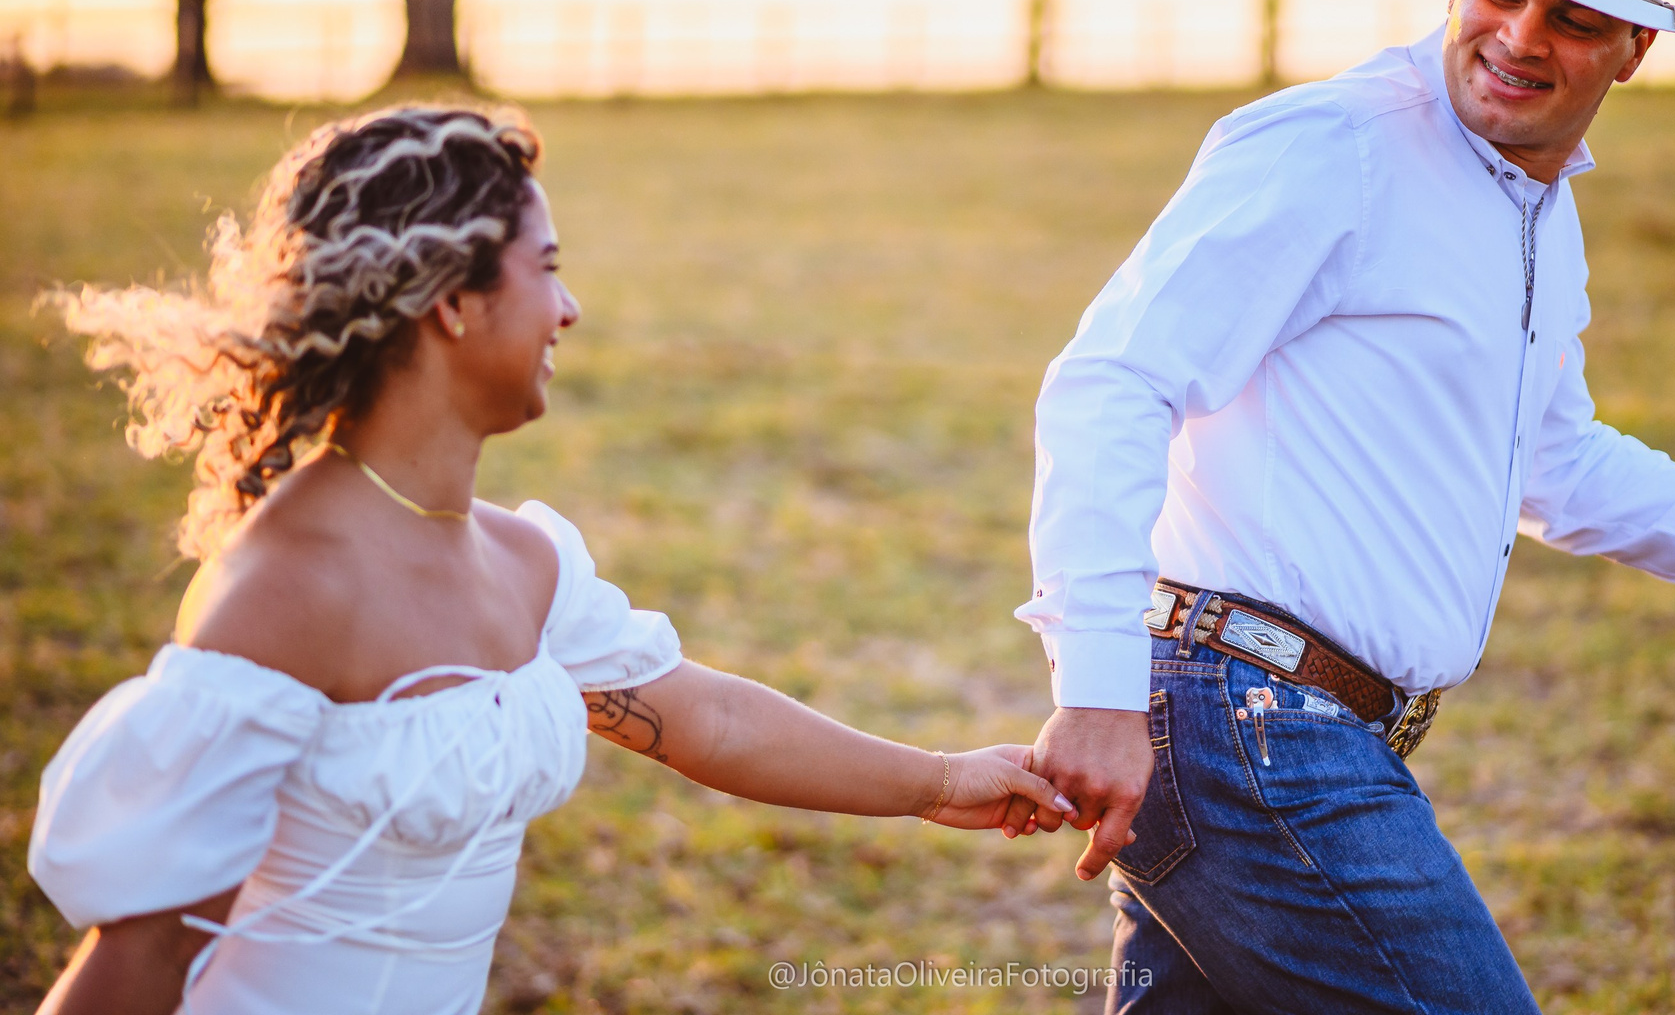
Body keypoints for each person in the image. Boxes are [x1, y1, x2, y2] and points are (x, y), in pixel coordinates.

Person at [999, 0, 1675, 1014]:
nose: (1521, 37)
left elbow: (1549, 458)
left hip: (1286, 727)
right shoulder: (1336, 147)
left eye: (1573, 18)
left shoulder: (1537, 210)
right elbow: (1113, 380)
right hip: (1251, 724)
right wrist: (1097, 681)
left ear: (1635, 48)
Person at [26, 106, 1075, 1015]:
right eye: (549, 270)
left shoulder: (522, 560)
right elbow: (144, 953)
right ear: (453, 300)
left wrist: (940, 781)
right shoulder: (288, 587)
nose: (568, 309)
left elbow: (707, 718)